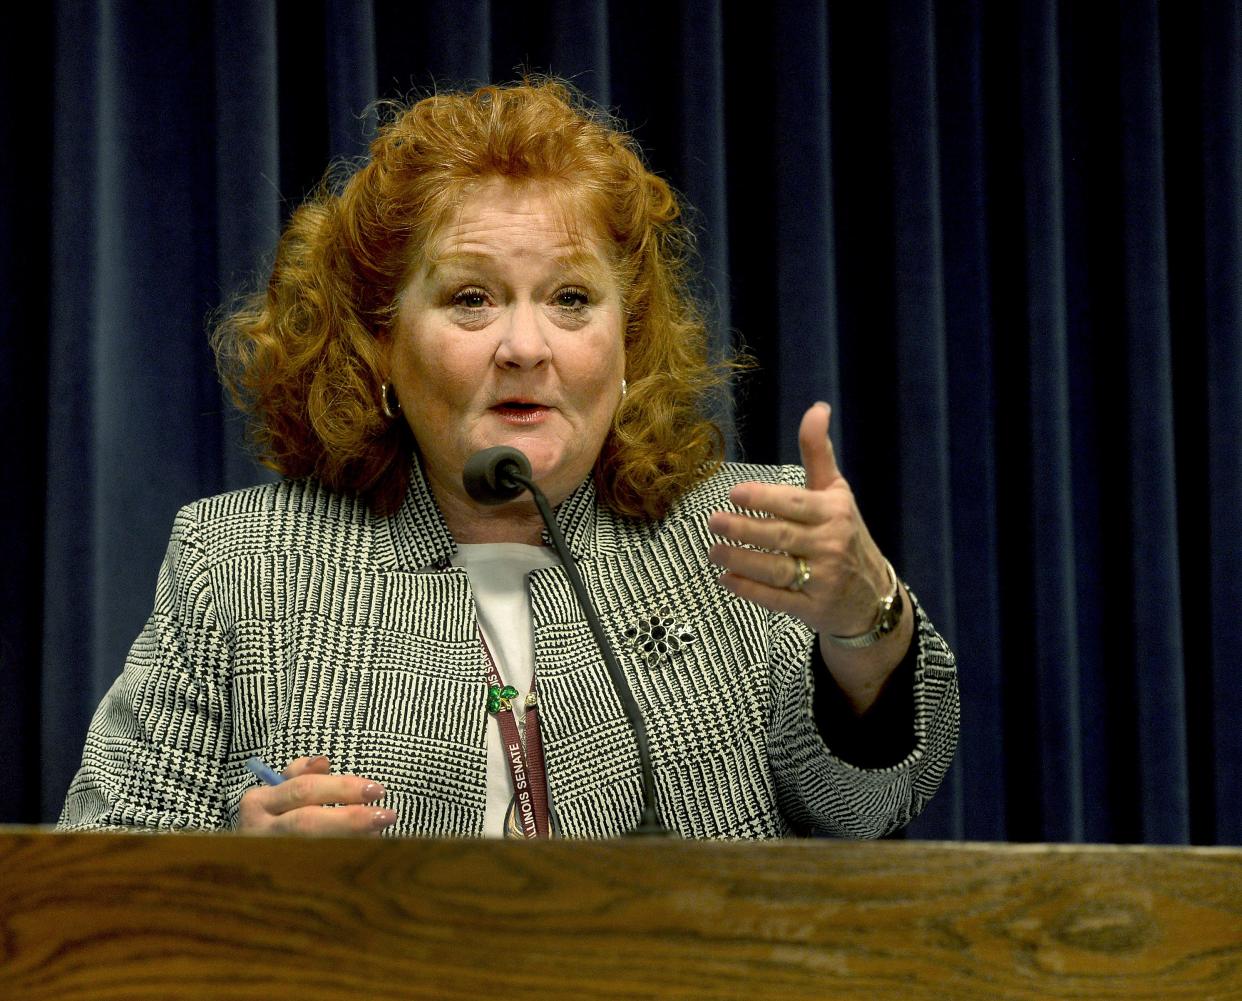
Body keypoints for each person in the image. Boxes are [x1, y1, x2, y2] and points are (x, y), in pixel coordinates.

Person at [59, 80, 958, 839]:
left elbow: (867, 806)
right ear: (379, 343)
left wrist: (862, 624)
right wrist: (234, 875)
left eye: (571, 298)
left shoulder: (749, 537)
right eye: (472, 298)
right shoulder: (241, 566)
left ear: (626, 336)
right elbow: (92, 873)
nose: (526, 345)